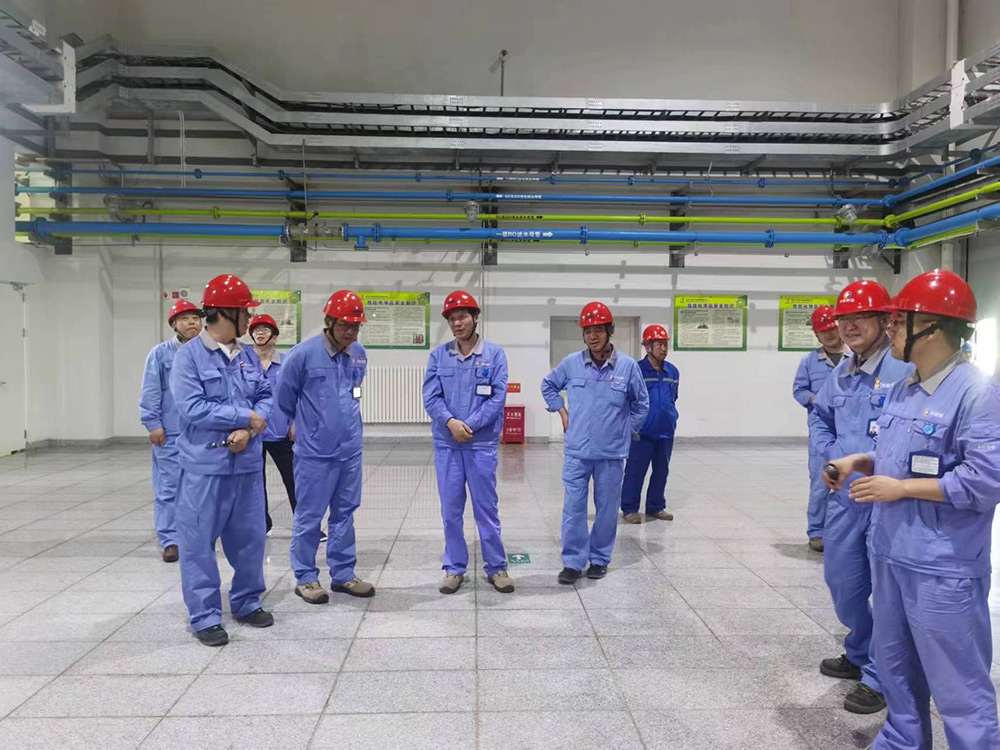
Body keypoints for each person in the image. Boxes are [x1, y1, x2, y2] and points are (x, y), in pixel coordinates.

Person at [825, 269, 1000, 750]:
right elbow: (898, 452)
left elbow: (986, 481)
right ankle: (902, 740)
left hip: (942, 565)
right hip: (891, 552)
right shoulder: (905, 386)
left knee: (958, 683)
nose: (892, 329)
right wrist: (860, 461)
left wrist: (901, 489)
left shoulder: (977, 392)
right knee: (896, 667)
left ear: (933, 328)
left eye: (899, 321)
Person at [811, 280, 913, 714]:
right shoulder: (843, 371)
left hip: (887, 499)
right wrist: (832, 454)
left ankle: (880, 675)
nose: (849, 326)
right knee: (843, 583)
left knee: (888, 594)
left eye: (860, 317)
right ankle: (860, 649)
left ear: (884, 320)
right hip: (846, 498)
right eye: (844, 319)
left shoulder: (903, 370)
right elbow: (820, 416)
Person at [170, 274, 274, 647]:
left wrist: (250, 430)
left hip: (246, 467)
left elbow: (265, 396)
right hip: (205, 469)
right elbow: (193, 408)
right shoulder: (188, 358)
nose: (250, 319)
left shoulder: (247, 356)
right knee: (198, 544)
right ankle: (205, 616)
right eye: (245, 312)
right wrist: (245, 417)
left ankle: (246, 602)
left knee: (250, 540)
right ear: (225, 313)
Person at [276, 290, 375, 604]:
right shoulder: (302, 355)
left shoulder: (358, 353)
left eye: (355, 326)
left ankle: (343, 574)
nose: (350, 331)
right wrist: (300, 427)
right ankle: (306, 577)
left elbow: (355, 391)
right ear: (329, 322)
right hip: (315, 453)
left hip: (350, 450)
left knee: (345, 513)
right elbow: (283, 399)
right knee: (309, 516)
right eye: (344, 324)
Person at [541, 301, 649, 585]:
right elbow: (548, 386)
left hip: (611, 454)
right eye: (588, 331)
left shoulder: (627, 366)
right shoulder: (571, 363)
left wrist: (625, 431)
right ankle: (573, 562)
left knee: (606, 509)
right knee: (574, 508)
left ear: (609, 331)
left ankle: (600, 558)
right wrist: (561, 411)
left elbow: (641, 404)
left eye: (598, 330)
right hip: (577, 451)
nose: (592, 336)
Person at [423, 290, 513, 595]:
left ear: (475, 317)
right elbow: (431, 397)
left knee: (486, 508)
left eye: (462, 316)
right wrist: (451, 422)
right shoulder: (438, 356)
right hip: (447, 444)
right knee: (451, 510)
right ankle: (454, 568)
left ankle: (496, 567)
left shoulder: (494, 354)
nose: (457, 323)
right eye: (452, 319)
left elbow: (497, 397)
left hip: (480, 444)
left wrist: (468, 426)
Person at [139, 299, 202, 563]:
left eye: (195, 318)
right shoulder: (160, 354)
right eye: (185, 319)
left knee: (199, 486)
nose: (192, 322)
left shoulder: (209, 351)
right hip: (171, 431)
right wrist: (153, 423)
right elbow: (151, 390)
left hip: (203, 432)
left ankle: (195, 535)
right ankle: (171, 539)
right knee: (169, 488)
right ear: (174, 324)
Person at [792, 305, 847, 552]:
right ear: (816, 335)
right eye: (823, 331)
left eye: (832, 328)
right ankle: (816, 532)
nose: (829, 334)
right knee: (820, 481)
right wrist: (817, 400)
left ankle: (844, 531)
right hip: (822, 428)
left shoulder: (855, 358)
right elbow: (799, 391)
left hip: (851, 427)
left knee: (852, 479)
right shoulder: (809, 361)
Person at [621, 324, 679, 524]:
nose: (663, 348)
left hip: (665, 431)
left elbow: (673, 397)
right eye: (659, 344)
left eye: (665, 344)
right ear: (647, 346)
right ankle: (629, 508)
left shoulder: (673, 371)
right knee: (635, 471)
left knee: (662, 471)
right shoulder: (636, 370)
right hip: (642, 432)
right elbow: (628, 399)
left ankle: (655, 506)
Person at [249, 313, 297, 534]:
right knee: (255, 482)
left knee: (295, 480)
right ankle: (262, 523)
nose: (260, 333)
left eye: (265, 329)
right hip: (253, 433)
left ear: (275, 336)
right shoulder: (245, 363)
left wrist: (296, 423)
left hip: (282, 431)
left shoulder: (287, 363)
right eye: (256, 330)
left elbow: (299, 395)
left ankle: (306, 525)